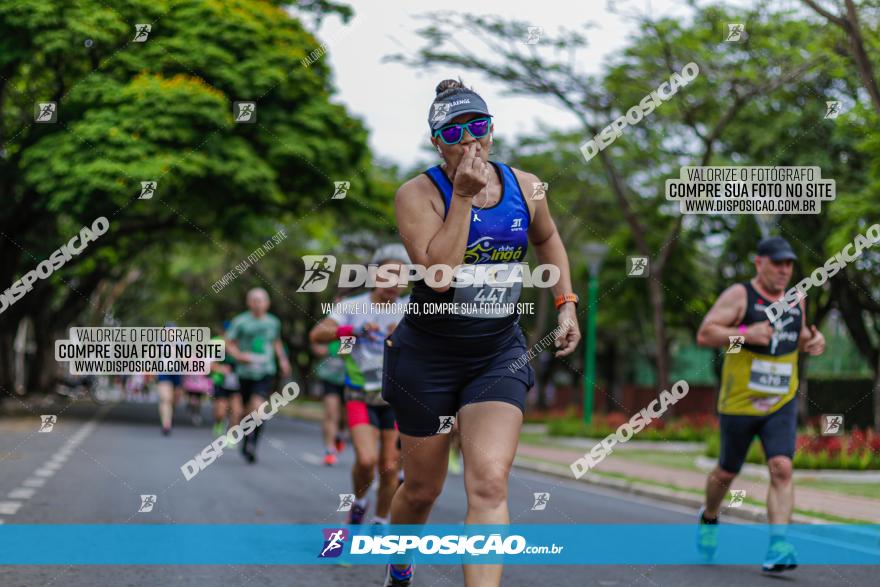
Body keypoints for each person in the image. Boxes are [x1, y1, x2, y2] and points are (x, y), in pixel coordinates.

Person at [381, 79, 581, 586]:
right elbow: (439, 277)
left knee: (489, 484)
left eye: (479, 126)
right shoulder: (417, 194)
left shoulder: (526, 185)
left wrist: (566, 305)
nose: (470, 140)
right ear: (437, 142)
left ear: (492, 130)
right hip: (427, 357)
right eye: (455, 131)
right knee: (423, 489)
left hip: (496, 354)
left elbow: (549, 240)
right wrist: (464, 199)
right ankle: (400, 562)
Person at [695, 236, 826, 572]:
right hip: (740, 403)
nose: (784, 270)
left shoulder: (797, 298)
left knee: (781, 467)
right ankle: (709, 517)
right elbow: (706, 334)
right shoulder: (740, 295)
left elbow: (796, 337)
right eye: (777, 263)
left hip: (781, 402)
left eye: (789, 264)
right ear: (759, 263)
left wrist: (814, 341)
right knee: (726, 471)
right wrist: (744, 333)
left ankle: (779, 545)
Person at [309, 245, 410, 528]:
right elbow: (317, 335)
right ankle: (360, 502)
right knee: (366, 460)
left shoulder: (411, 308)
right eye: (388, 275)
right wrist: (354, 331)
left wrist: (404, 336)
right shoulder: (352, 307)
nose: (393, 283)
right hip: (359, 396)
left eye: (400, 277)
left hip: (396, 399)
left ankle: (379, 520)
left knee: (389, 468)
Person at [225, 288, 292, 463]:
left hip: (265, 372)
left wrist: (283, 361)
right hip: (244, 373)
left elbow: (276, 342)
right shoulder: (241, 322)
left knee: (259, 411)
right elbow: (229, 343)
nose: (257, 303)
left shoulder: (273, 322)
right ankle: (246, 435)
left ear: (267, 303)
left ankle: (251, 443)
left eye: (261, 300)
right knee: (245, 411)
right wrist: (239, 356)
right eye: (254, 300)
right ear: (248, 303)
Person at [312, 335, 348, 466]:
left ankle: (340, 435)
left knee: (345, 417)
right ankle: (329, 450)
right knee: (331, 414)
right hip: (329, 378)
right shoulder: (327, 330)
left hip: (349, 380)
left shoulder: (352, 329)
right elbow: (316, 347)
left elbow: (346, 353)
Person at [209, 322, 240, 437]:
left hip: (237, 382)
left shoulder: (241, 343)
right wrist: (220, 369)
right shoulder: (216, 343)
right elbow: (210, 364)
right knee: (220, 412)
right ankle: (219, 423)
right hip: (221, 381)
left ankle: (232, 435)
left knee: (236, 411)